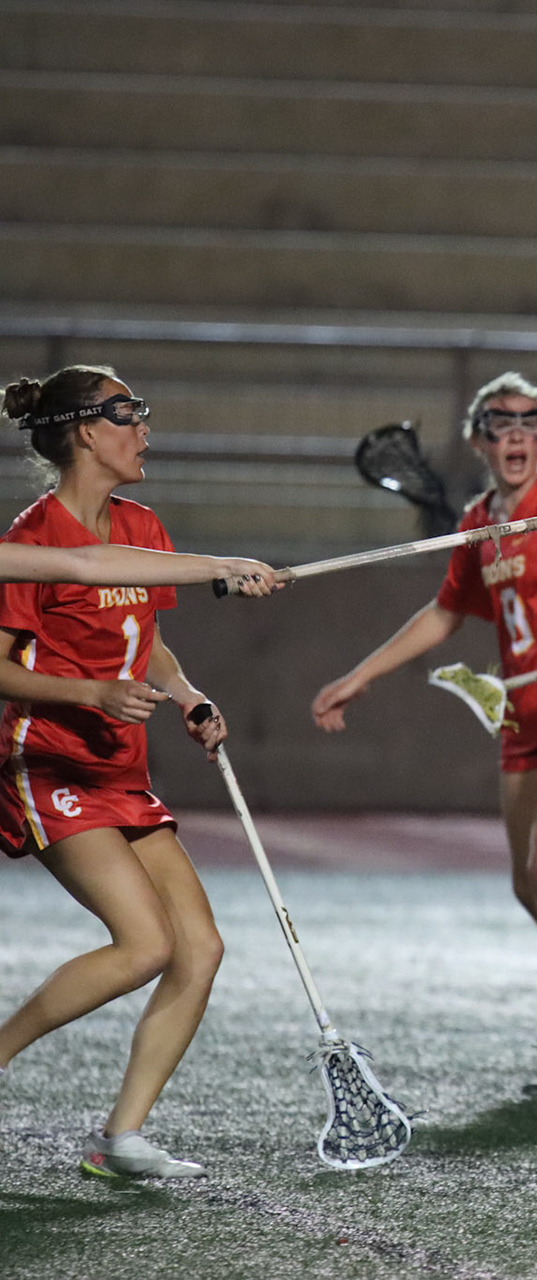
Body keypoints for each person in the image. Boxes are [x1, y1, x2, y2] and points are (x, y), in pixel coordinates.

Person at [0, 367, 279, 1181]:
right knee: (146, 943)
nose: (145, 428)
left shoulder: (142, 526)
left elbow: (141, 630)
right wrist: (91, 692)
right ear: (87, 430)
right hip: (46, 759)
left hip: (121, 768)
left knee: (200, 948)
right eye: (129, 414)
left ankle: (121, 1137)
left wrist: (187, 695)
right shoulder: (34, 540)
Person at [311, 372, 537, 1028]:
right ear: (478, 441)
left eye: (529, 423)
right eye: (501, 424)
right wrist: (361, 675)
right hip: (522, 708)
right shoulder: (476, 525)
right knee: (531, 883)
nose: (516, 435)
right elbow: (444, 614)